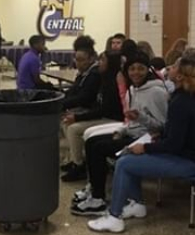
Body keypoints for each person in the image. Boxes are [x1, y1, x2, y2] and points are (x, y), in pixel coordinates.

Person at [88, 58, 195, 232]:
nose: (169, 68)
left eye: (174, 66)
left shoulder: (182, 102)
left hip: (190, 161)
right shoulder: (186, 97)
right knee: (130, 156)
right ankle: (137, 204)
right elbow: (178, 134)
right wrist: (158, 135)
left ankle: (114, 217)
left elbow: (174, 144)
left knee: (124, 163)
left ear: (180, 76)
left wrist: (145, 147)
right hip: (186, 154)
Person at [71, 51, 168, 214]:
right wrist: (121, 130)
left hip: (146, 139)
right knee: (91, 142)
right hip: (131, 133)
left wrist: (142, 118)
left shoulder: (157, 92)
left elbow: (162, 127)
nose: (136, 72)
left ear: (148, 70)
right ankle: (95, 192)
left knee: (99, 148)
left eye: (141, 69)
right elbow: (130, 122)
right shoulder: (132, 89)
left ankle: (98, 198)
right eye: (132, 69)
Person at [61, 51, 124, 182]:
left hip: (113, 119)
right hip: (103, 115)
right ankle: (75, 160)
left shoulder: (112, 82)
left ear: (110, 63)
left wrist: (78, 117)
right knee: (67, 122)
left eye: (102, 60)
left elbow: (103, 110)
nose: (98, 63)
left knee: (73, 128)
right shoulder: (103, 78)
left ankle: (79, 166)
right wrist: (78, 114)